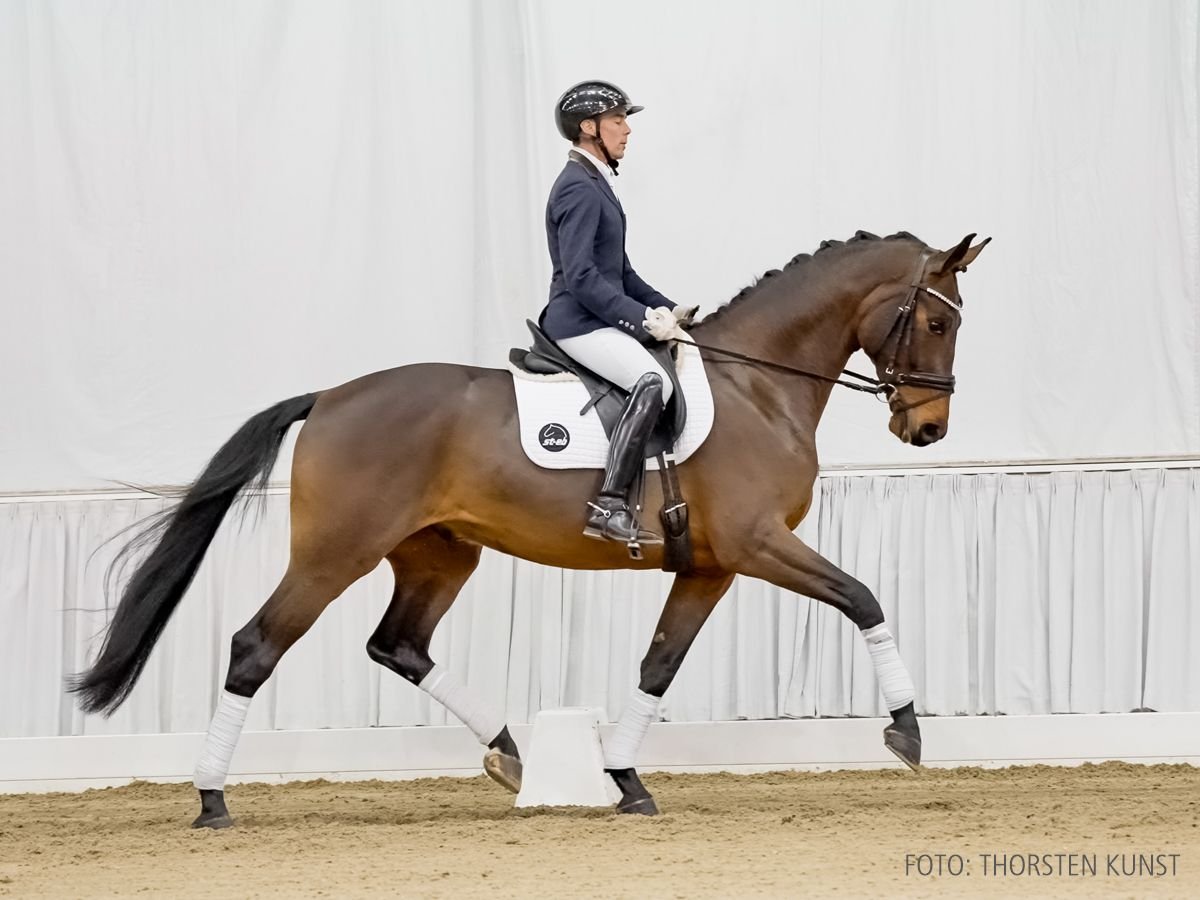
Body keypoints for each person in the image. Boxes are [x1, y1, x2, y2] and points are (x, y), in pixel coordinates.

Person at [540, 80, 693, 545]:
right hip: (577, 321)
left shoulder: (596, 184)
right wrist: (641, 321)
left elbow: (622, 273)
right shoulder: (579, 189)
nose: (627, 130)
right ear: (589, 128)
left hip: (594, 315)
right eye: (618, 120)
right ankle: (609, 506)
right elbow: (584, 278)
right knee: (653, 382)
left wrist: (668, 310)